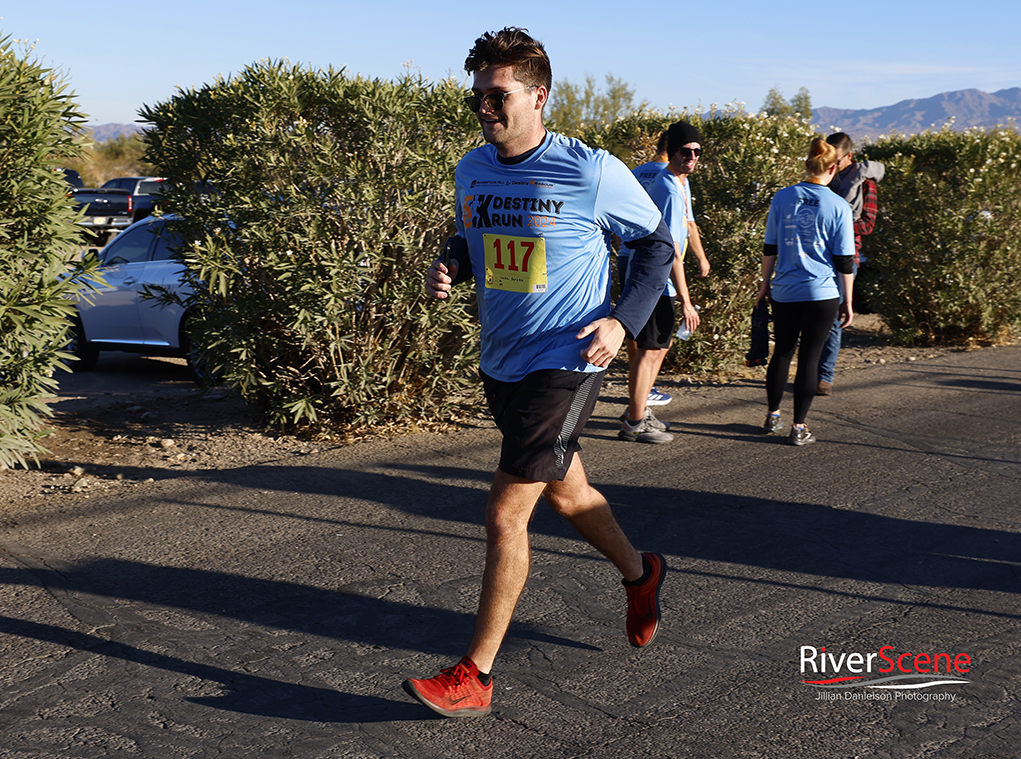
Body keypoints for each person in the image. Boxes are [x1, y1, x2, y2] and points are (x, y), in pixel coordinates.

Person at [405, 27, 674, 718]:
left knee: (505, 512)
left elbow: (653, 244)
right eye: (478, 99)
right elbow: (470, 237)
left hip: (569, 356)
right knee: (567, 493)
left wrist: (622, 320)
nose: (485, 109)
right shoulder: (473, 168)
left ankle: (476, 675)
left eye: (497, 96)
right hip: (503, 358)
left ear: (538, 95)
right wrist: (452, 265)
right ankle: (640, 572)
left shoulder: (588, 170)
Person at [755, 138, 855, 446]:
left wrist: (764, 287)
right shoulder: (838, 205)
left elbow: (769, 247)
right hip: (822, 293)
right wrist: (848, 301)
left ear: (807, 164)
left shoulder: (783, 198)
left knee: (782, 352)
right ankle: (799, 427)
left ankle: (772, 415)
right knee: (810, 359)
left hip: (785, 290)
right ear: (833, 167)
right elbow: (844, 260)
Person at [617, 121, 709, 443]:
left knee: (654, 348)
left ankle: (638, 411)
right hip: (655, 278)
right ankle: (634, 420)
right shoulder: (668, 188)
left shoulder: (678, 183)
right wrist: (685, 300)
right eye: (686, 151)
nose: (693, 157)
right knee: (650, 351)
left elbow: (686, 230)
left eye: (698, 151)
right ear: (672, 151)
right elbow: (668, 251)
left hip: (651, 275)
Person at [816, 132, 884, 395]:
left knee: (833, 317)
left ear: (849, 156)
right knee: (814, 317)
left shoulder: (865, 184)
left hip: (847, 256)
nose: (831, 163)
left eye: (836, 158)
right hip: (816, 254)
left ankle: (824, 376)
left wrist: (837, 222)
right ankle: (812, 371)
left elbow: (867, 224)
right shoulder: (823, 178)